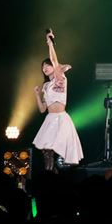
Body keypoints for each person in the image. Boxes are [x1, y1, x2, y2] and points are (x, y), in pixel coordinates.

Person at [32, 30, 83, 171]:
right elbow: (42, 109)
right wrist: (37, 95)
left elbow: (55, 61)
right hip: (50, 118)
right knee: (47, 151)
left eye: (47, 65)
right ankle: (51, 173)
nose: (44, 68)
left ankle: (54, 173)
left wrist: (50, 43)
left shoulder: (60, 78)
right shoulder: (46, 86)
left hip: (60, 118)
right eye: (43, 66)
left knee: (54, 150)